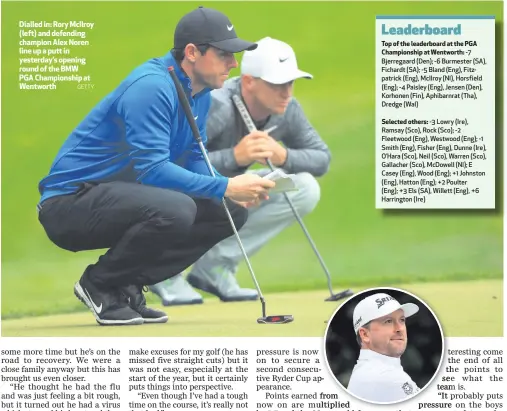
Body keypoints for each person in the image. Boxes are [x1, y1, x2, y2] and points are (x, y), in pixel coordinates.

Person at [36, 6, 276, 326]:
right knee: (177, 208)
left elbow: (192, 156)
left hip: (119, 197)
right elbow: (153, 170)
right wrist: (227, 185)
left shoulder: (200, 92)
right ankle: (100, 283)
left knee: (228, 211)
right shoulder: (151, 86)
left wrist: (229, 189)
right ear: (192, 53)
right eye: (223, 55)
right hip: (68, 204)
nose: (233, 64)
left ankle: (126, 282)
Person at [149, 37, 331, 305]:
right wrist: (234, 157)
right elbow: (170, 164)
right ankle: (161, 268)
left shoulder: (287, 109)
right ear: (248, 82)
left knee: (304, 188)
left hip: (225, 191)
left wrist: (284, 156)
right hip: (177, 194)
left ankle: (214, 267)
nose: (287, 92)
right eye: (278, 84)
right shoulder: (216, 105)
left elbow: (321, 159)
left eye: (290, 83)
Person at [347, 293, 421, 403]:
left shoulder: (367, 370)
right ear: (365, 335)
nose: (399, 328)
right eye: (388, 321)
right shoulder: (386, 376)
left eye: (402, 320)